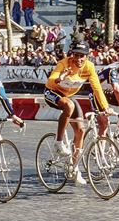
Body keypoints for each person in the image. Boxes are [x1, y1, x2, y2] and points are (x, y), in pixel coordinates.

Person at [44, 41, 113, 185]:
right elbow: (51, 81)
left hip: (68, 96)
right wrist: (60, 78)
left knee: (81, 130)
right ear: (72, 55)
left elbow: (97, 89)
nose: (79, 59)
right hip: (52, 92)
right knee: (68, 105)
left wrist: (105, 107)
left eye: (82, 56)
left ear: (87, 56)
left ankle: (74, 169)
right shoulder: (64, 64)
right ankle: (58, 142)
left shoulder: (89, 67)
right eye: (76, 55)